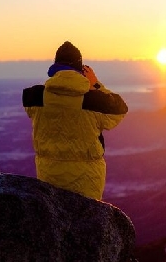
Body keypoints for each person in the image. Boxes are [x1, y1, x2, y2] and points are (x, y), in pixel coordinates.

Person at [22, 41, 128, 200]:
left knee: (54, 222)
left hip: (48, 176)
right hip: (88, 180)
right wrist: (95, 84)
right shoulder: (92, 101)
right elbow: (120, 108)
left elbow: (30, 103)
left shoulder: (36, 97)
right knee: (86, 223)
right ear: (81, 69)